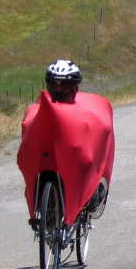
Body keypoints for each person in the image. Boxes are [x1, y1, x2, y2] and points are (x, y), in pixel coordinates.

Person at [41, 60, 110, 216]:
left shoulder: (85, 111)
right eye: (55, 84)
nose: (59, 89)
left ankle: (92, 189)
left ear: (74, 87)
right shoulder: (41, 108)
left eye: (64, 85)